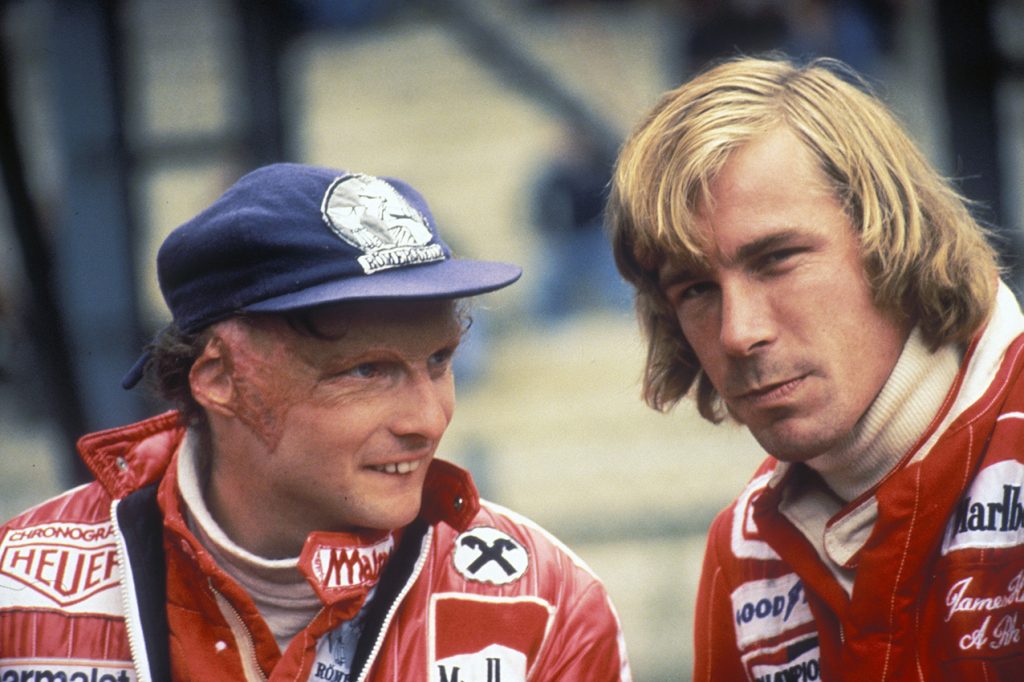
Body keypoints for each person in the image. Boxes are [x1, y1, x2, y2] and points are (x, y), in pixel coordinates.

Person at [0, 163, 632, 681]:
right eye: (365, 372)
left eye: (439, 360)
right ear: (220, 379)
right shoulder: (18, 589)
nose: (427, 419)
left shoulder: (545, 603)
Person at [607, 55, 1024, 680]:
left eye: (776, 259)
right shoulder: (745, 551)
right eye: (695, 290)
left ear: (893, 237)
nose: (739, 333)